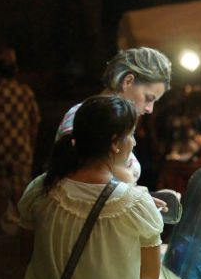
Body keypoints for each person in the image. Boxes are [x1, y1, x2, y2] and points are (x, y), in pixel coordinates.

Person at [18, 95, 163, 279]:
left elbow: (28, 252)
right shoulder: (137, 204)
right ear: (114, 142)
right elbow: (150, 274)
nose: (134, 142)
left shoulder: (40, 190)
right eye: (130, 135)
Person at [57, 47, 172, 186]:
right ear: (127, 81)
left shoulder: (117, 122)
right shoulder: (82, 118)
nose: (150, 109)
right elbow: (77, 185)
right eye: (148, 98)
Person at [0, 48, 40, 233]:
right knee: (20, 186)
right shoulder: (26, 92)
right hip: (21, 146)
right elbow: (35, 120)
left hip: (0, 147)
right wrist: (31, 142)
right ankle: (24, 222)